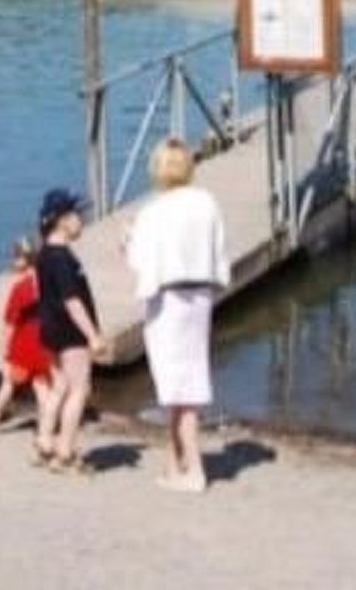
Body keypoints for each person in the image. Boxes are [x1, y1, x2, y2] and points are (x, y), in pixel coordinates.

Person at [126, 139, 231, 493]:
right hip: (199, 293)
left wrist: (128, 245)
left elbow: (141, 263)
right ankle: (174, 462)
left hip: (168, 297)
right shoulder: (207, 202)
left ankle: (195, 471)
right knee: (182, 382)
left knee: (179, 387)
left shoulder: (153, 212)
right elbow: (219, 249)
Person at [31, 187, 99, 474]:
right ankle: (66, 450)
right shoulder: (61, 258)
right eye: (77, 215)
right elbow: (72, 301)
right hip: (70, 330)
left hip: (50, 326)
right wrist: (93, 335)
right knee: (79, 389)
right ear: (62, 220)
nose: (82, 220)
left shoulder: (45, 253)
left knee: (59, 386)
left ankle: (45, 440)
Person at [0, 239, 53, 432]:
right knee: (42, 387)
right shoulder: (50, 285)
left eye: (16, 257)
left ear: (25, 260)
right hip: (45, 342)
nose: (14, 262)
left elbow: (10, 321)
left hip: (23, 344)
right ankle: (47, 423)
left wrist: (6, 347)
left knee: (9, 382)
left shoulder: (20, 288)